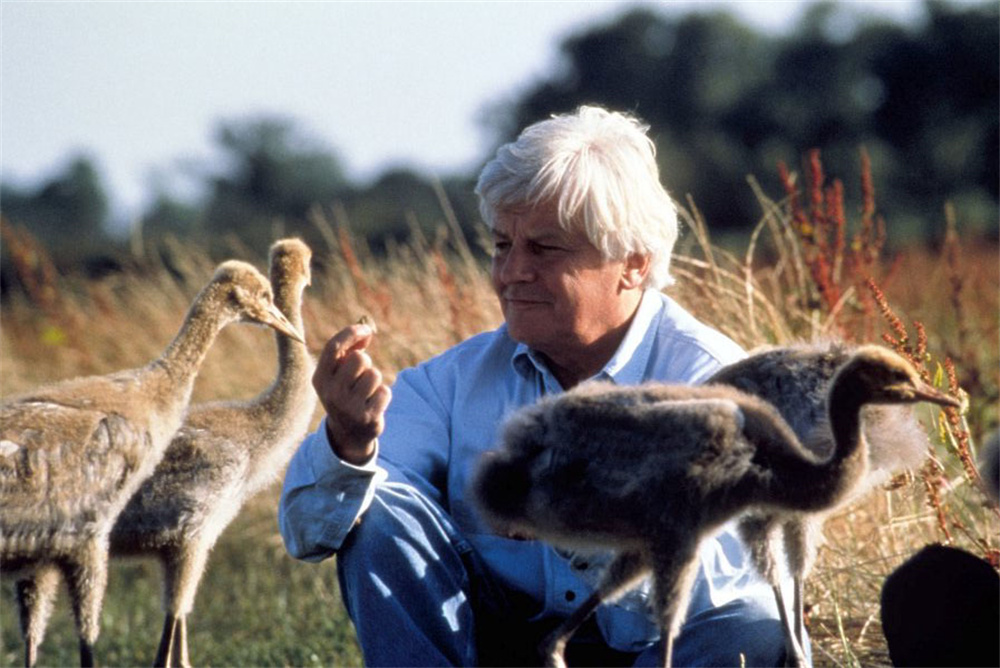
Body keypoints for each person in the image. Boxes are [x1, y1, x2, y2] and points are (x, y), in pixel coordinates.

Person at [279, 105, 790, 667]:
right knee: (376, 510)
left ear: (634, 265)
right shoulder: (447, 385)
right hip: (490, 650)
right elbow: (309, 534)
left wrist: (580, 521)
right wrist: (348, 445)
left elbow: (738, 578)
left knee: (755, 628)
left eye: (545, 249)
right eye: (502, 246)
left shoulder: (714, 384)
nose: (511, 272)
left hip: (652, 652)